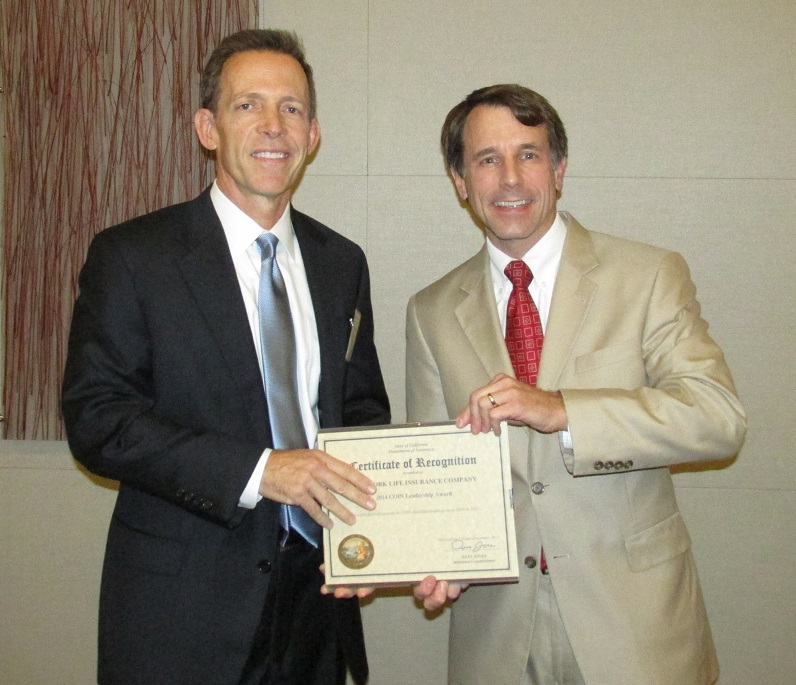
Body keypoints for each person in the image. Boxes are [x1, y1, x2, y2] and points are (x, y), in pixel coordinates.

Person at [62, 29, 390, 685]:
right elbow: (98, 419)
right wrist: (262, 470)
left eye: (292, 108)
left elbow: (360, 413)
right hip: (180, 608)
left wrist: (376, 545)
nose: (274, 126)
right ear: (207, 128)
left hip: (316, 602)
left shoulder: (341, 264)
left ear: (314, 133)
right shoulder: (133, 257)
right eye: (249, 106)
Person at [406, 84, 746, 684]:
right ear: (460, 182)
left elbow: (717, 418)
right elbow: (439, 468)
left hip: (635, 631)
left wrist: (564, 411)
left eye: (529, 154)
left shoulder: (647, 275)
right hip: (498, 640)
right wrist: (444, 553)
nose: (510, 177)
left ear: (559, 169)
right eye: (487, 159)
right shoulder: (431, 309)